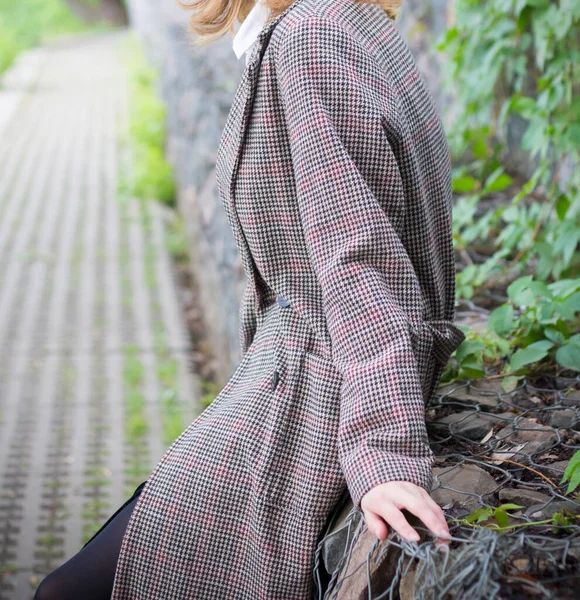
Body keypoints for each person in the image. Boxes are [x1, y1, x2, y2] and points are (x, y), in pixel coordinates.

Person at [35, 0, 465, 598]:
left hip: (310, 406)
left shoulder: (309, 42)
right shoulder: (345, 21)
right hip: (283, 385)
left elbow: (361, 261)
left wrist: (386, 456)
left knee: (68, 592)